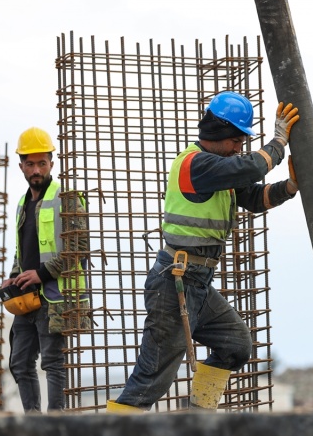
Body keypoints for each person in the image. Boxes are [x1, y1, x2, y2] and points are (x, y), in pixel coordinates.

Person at [107, 91, 300, 413]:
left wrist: (290, 188)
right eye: (238, 139)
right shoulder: (196, 164)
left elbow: (253, 197)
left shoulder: (218, 169)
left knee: (234, 346)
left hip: (195, 282)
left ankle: (197, 420)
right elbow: (251, 168)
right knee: (150, 380)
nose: (240, 146)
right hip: (175, 283)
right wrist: (279, 142)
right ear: (221, 132)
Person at [2, 127, 88, 413]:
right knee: (19, 362)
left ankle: (56, 422)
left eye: (42, 163)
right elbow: (22, 249)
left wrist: (41, 273)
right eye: (30, 163)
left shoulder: (67, 198)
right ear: (21, 166)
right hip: (28, 297)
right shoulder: (22, 203)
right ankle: (34, 422)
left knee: (53, 363)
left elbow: (79, 248)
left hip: (55, 296)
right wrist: (15, 276)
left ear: (52, 163)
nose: (36, 169)